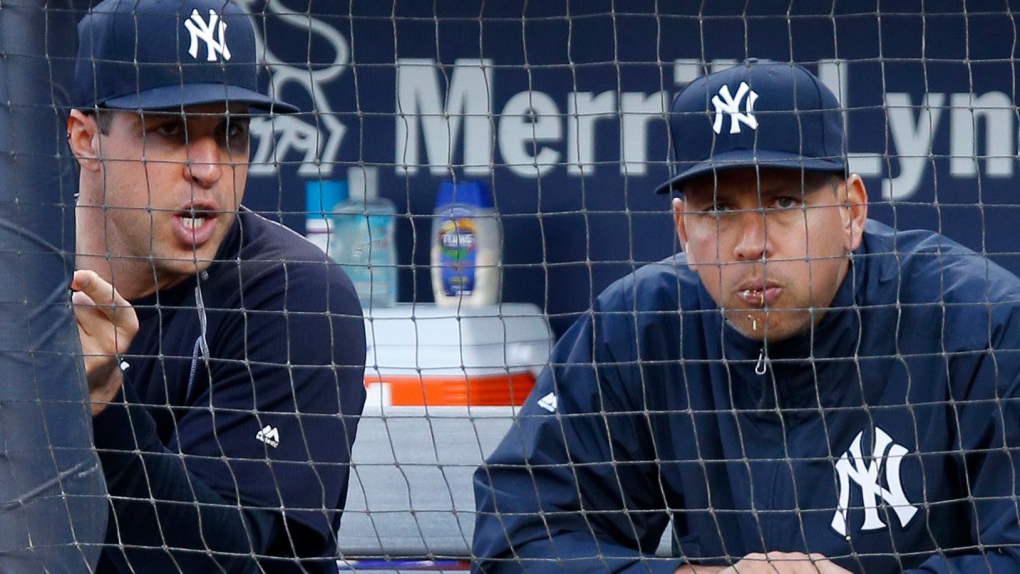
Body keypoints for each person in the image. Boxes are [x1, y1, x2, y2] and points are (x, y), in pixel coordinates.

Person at [472, 59, 1020, 573]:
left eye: (783, 203)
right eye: (718, 210)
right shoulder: (641, 327)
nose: (751, 244)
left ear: (852, 212)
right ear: (684, 230)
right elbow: (517, 535)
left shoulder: (979, 322)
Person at [66, 0, 367, 572]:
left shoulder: (293, 294)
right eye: (171, 130)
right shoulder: (19, 284)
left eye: (231, 132)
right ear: (86, 137)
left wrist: (105, 406)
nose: (209, 168)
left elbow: (223, 560)